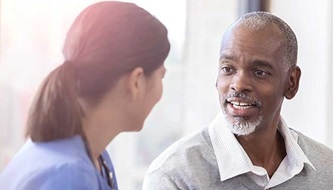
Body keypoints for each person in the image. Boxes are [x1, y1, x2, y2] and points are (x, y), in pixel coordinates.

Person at [143, 11, 333, 189]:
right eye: (228, 69)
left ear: (291, 83)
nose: (239, 84)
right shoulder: (173, 175)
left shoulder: (327, 169)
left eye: (259, 72)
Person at [0, 1, 170, 190]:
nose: (161, 94)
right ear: (136, 82)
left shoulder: (97, 159)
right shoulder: (69, 177)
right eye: (161, 76)